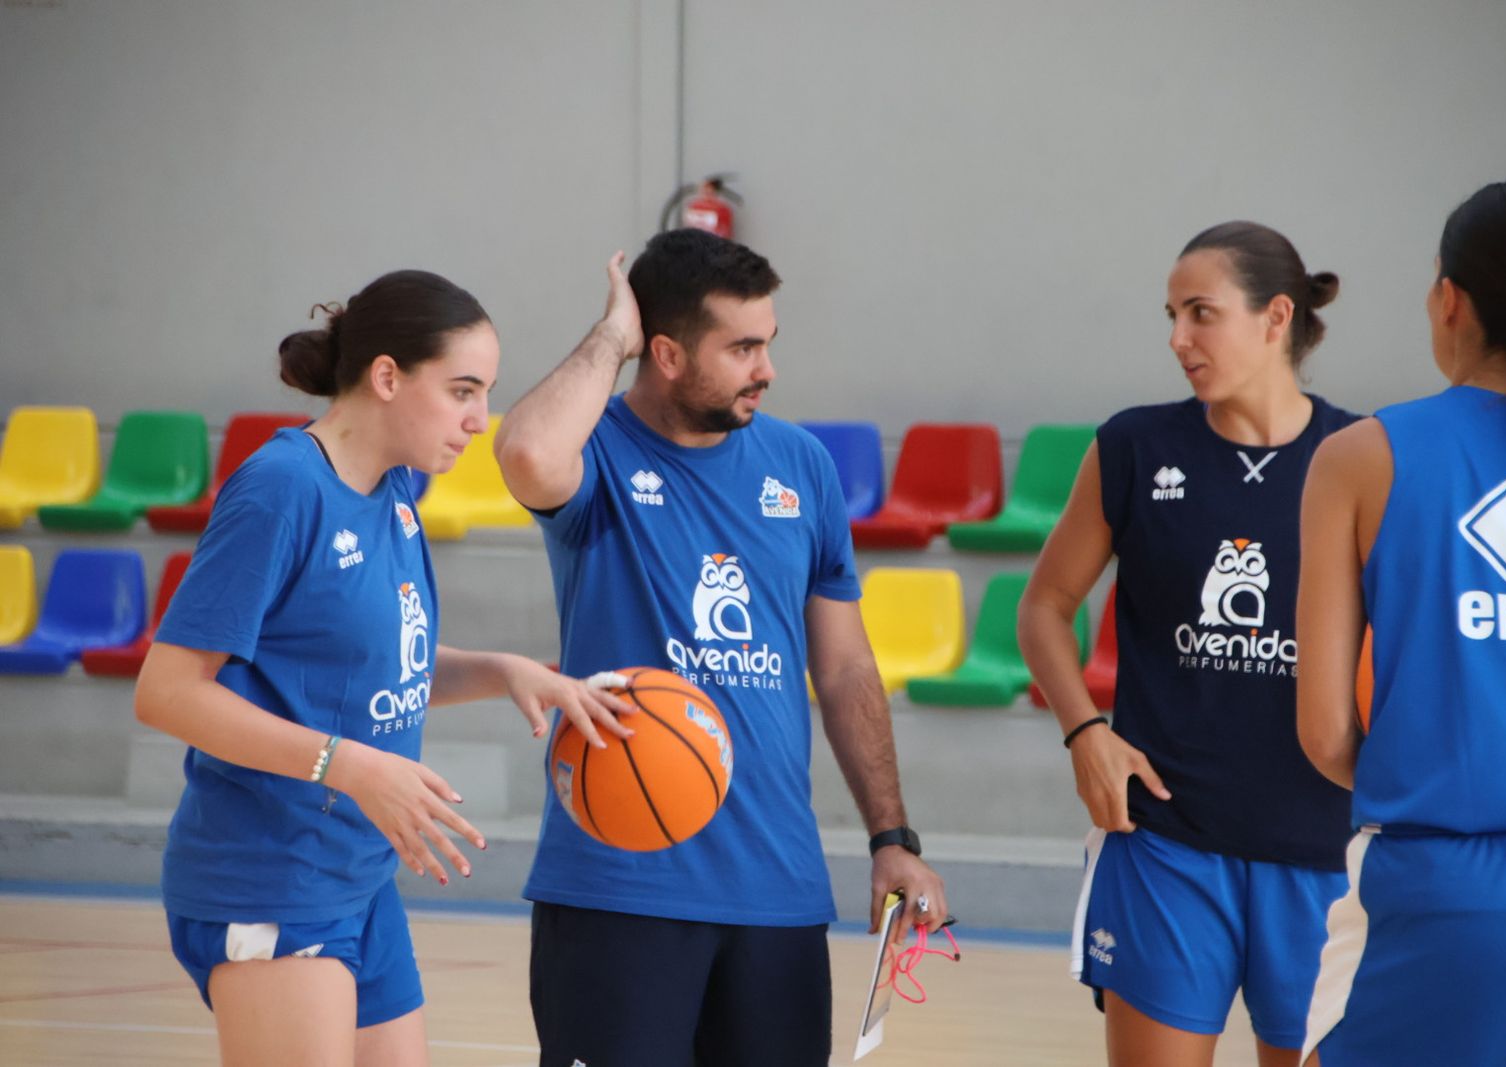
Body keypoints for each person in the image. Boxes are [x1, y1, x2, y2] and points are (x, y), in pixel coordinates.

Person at [134, 269, 632, 1067]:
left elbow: (364, 663)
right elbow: (166, 692)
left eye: (487, 392)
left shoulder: (397, 487)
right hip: (269, 874)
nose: (480, 419)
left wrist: (502, 669)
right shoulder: (281, 489)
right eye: (464, 390)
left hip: (358, 876)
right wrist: (348, 764)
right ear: (388, 375)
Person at [494, 229, 947, 1067]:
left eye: (767, 343)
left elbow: (845, 665)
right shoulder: (597, 452)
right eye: (741, 347)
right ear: (663, 352)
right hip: (619, 886)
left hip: (776, 893)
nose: (765, 369)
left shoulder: (801, 465)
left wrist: (893, 836)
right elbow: (524, 451)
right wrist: (611, 336)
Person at [1018, 222, 1359, 1066]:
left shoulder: (1360, 457)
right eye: (1171, 314)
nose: (1178, 338)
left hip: (1323, 853)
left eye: (1201, 313)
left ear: (1276, 317)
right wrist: (1084, 732)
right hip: (1166, 840)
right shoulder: (1135, 446)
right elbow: (1044, 607)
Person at [1298, 179, 1506, 1066]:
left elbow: (1322, 732)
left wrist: (1427, 773)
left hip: (1447, 873)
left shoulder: (1360, 457)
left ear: (1447, 299)